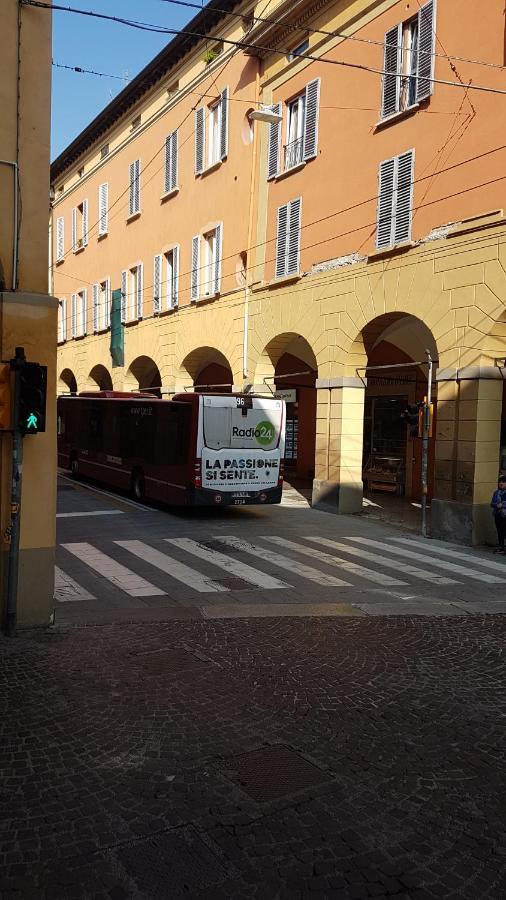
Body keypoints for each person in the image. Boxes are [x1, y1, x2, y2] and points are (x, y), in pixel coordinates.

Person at [490, 475, 506, 554]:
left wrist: (502, 505)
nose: (501, 483)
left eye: (503, 482)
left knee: (504, 531)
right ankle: (501, 547)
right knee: (499, 531)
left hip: (505, 515)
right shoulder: (496, 492)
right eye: (500, 482)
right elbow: (492, 503)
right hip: (497, 514)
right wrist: (496, 505)